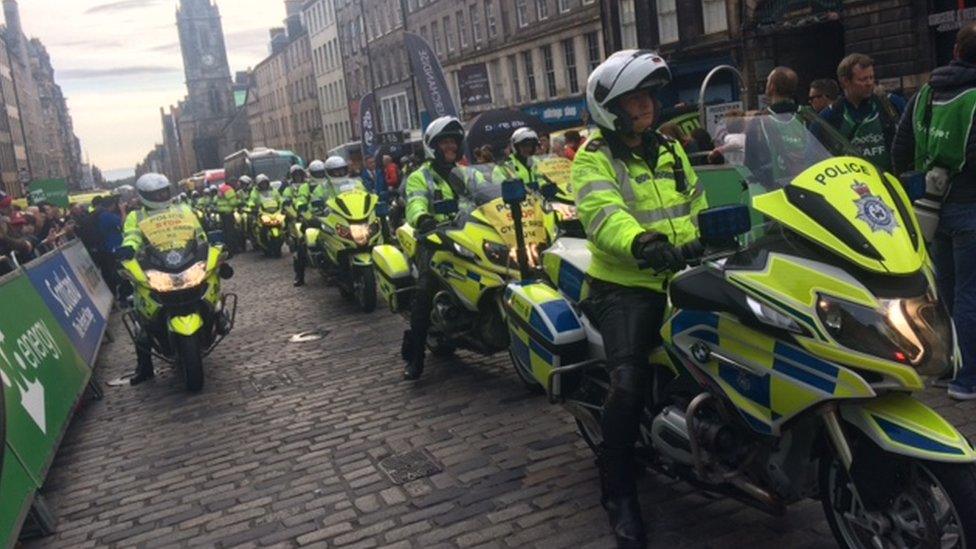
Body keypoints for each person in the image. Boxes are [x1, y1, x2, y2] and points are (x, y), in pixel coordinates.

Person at [574, 50, 707, 547]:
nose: (645, 104)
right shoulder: (593, 158)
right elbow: (603, 213)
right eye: (634, 97)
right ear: (610, 106)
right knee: (627, 382)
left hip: (684, 272)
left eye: (648, 94)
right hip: (625, 285)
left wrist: (707, 232)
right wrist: (644, 244)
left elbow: (696, 199)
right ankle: (619, 492)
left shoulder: (670, 150)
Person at [892, 22, 976, 400]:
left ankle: (946, 369)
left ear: (955, 51)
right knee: (969, 294)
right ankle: (967, 379)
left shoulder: (926, 91)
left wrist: (915, 185)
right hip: (969, 207)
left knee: (944, 292)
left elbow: (901, 143)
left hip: (932, 207)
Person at [401, 116, 485, 381]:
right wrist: (422, 218)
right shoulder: (420, 177)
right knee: (425, 290)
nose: (450, 147)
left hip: (468, 236)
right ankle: (416, 357)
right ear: (433, 146)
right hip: (435, 241)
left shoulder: (467, 173)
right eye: (444, 142)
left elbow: (486, 195)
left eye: (453, 142)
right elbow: (414, 202)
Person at [120, 173, 208, 385]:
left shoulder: (182, 210)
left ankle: (215, 316)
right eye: (155, 194)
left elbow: (199, 233)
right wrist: (128, 248)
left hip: (183, 260)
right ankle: (144, 367)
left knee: (209, 280)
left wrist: (206, 247)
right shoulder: (136, 216)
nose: (161, 196)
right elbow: (131, 235)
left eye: (163, 192)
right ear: (144, 195)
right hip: (153, 264)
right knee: (140, 318)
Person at [820, 53, 906, 169]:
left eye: (871, 77)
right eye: (863, 79)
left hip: (889, 181)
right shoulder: (830, 116)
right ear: (845, 81)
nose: (869, 83)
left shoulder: (892, 104)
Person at [95, 195, 124, 295]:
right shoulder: (107, 216)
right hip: (112, 248)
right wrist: (123, 211)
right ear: (112, 205)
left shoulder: (102, 215)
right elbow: (122, 224)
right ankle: (118, 294)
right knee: (116, 273)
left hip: (108, 248)